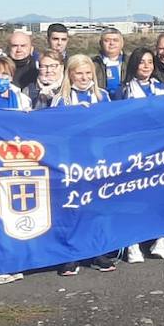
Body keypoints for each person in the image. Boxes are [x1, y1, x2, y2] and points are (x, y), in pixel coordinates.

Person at [52, 54, 116, 272]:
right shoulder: (61, 99)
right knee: (72, 208)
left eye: (88, 73)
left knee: (97, 207)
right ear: (69, 74)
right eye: (79, 73)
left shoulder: (103, 96)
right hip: (71, 163)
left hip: (98, 161)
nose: (84, 77)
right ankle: (71, 253)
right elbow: (53, 132)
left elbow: (112, 127)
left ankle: (98, 252)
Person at [116, 47, 164, 263]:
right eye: (141, 62)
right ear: (134, 65)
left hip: (160, 150)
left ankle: (161, 237)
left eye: (150, 62)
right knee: (134, 196)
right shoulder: (122, 90)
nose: (146, 66)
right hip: (133, 151)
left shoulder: (163, 87)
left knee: (159, 195)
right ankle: (133, 242)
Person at [92, 28, 126, 96]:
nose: (111, 43)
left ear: (122, 43)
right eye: (107, 41)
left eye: (115, 40)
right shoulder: (92, 64)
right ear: (101, 43)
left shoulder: (130, 62)